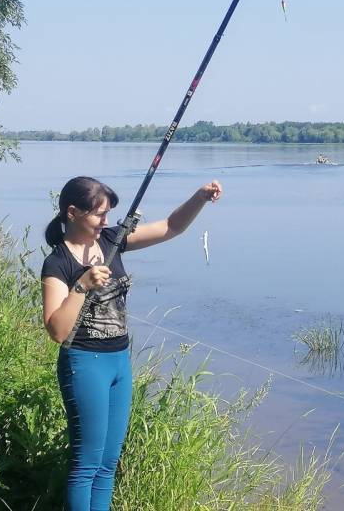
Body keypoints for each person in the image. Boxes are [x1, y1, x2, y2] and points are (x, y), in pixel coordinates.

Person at [41, 175, 222, 511]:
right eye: (99, 215)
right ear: (72, 213)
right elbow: (57, 330)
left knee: (109, 463)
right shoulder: (58, 263)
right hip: (84, 364)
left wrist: (198, 197)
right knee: (87, 465)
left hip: (119, 363)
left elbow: (170, 226)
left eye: (108, 214)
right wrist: (81, 285)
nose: (106, 222)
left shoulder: (112, 240)